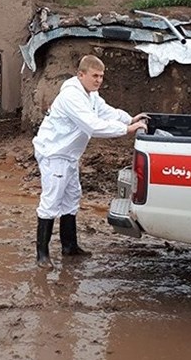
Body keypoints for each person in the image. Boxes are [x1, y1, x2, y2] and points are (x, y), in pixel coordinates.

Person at [32, 54, 149, 269]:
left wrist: (128, 118)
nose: (98, 80)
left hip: (69, 155)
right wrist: (127, 129)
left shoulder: (90, 95)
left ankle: (69, 246)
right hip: (54, 153)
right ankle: (42, 255)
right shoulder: (71, 97)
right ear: (81, 74)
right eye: (95, 76)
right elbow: (93, 126)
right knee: (51, 201)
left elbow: (105, 111)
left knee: (71, 197)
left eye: (102, 76)